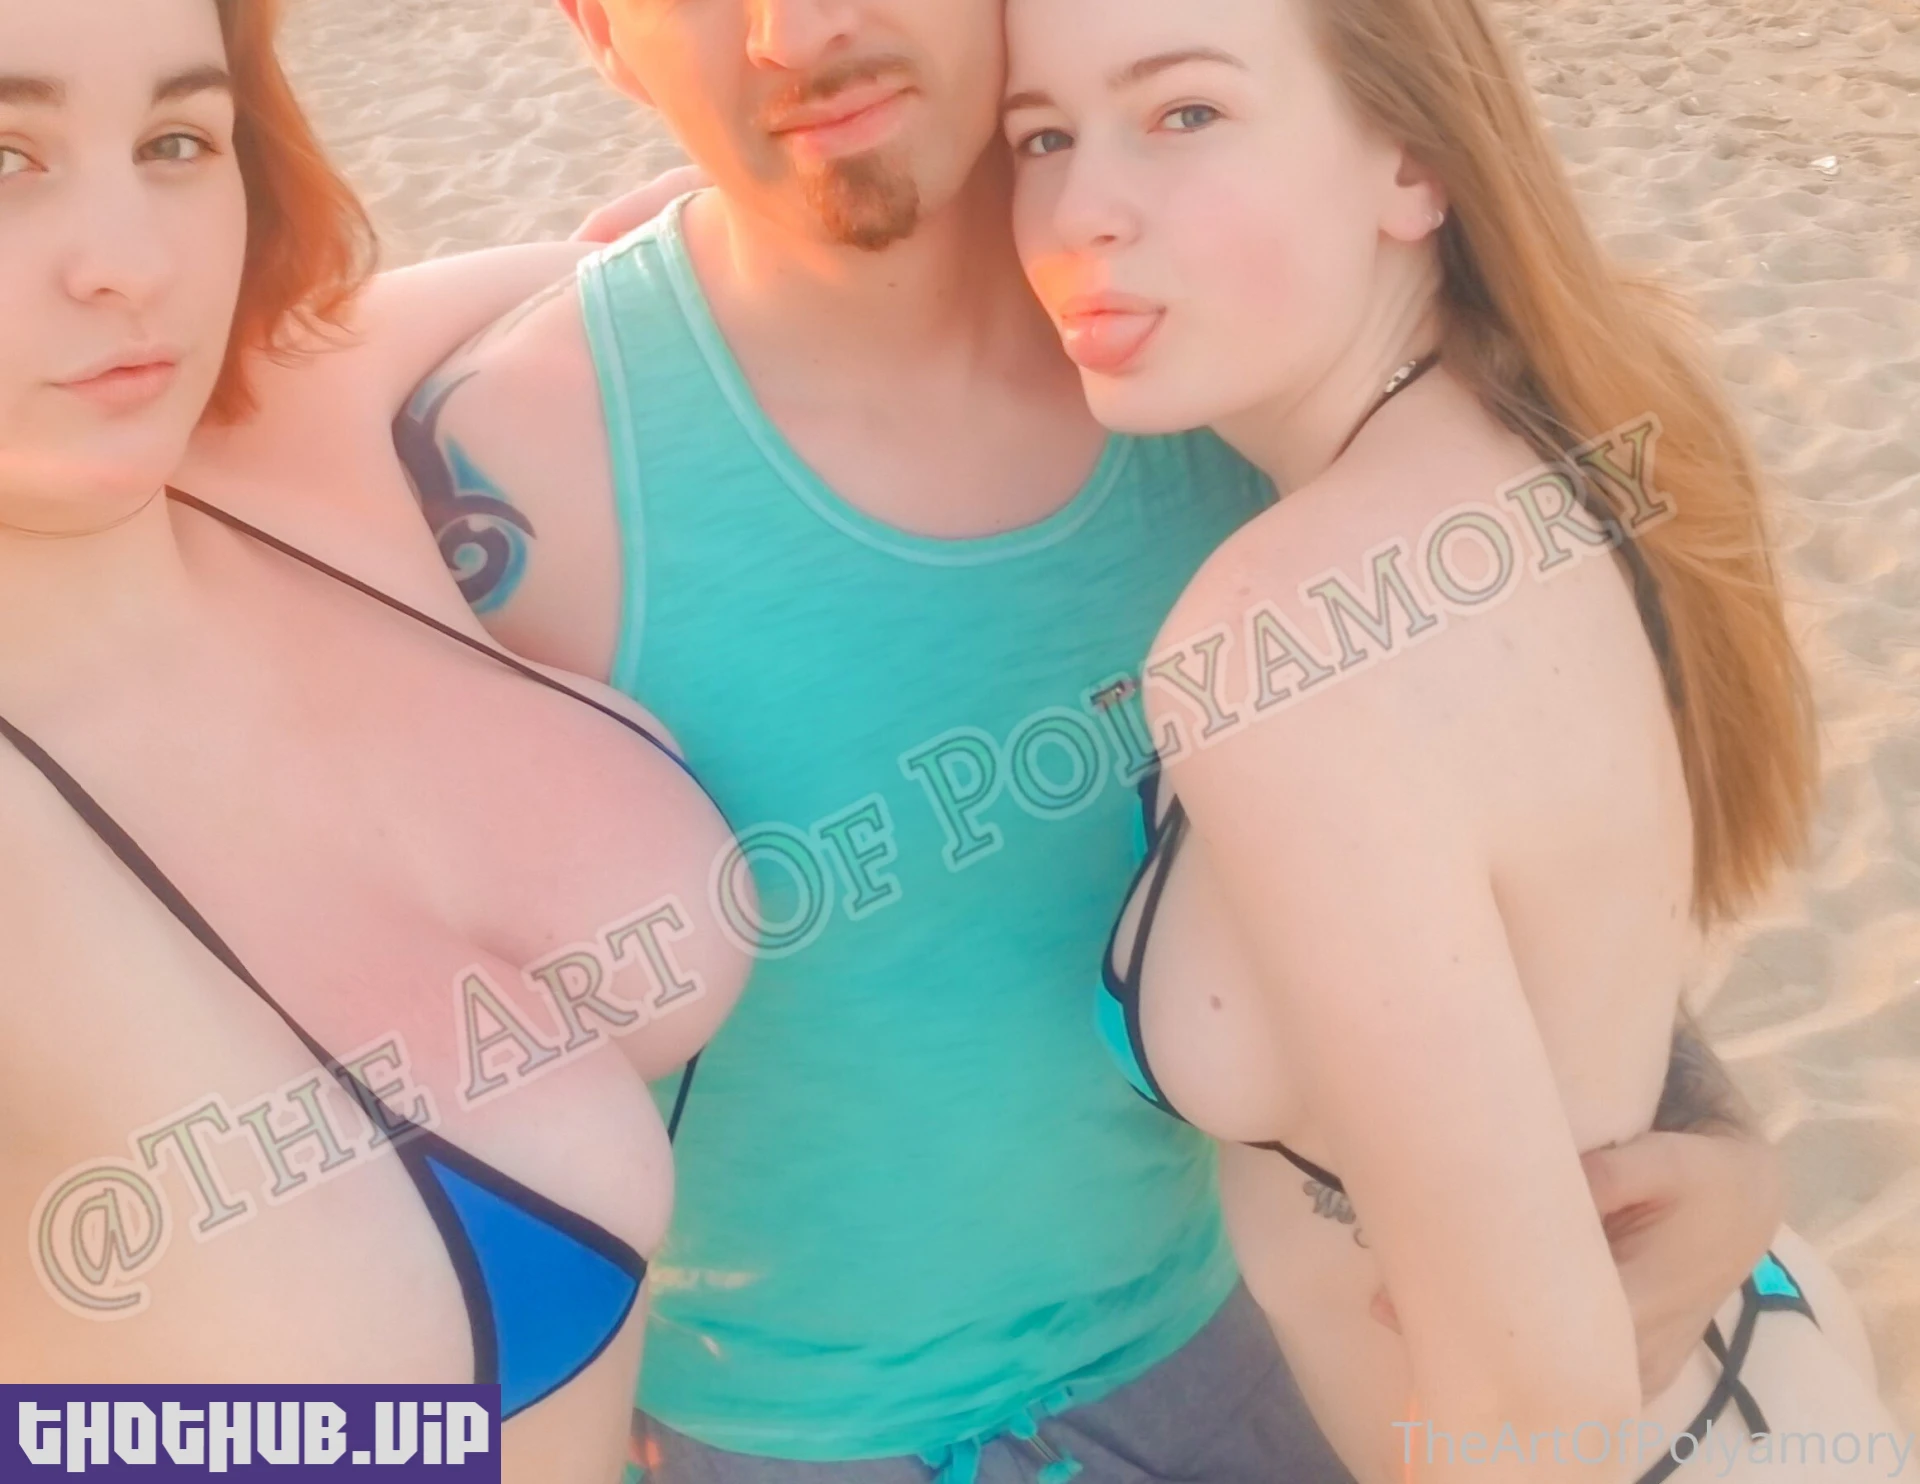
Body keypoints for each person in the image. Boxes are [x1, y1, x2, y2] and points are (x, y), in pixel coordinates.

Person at [184, 1, 1787, 1480]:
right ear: (599, 26)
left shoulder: (1212, 360)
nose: (801, 28)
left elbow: (1483, 838)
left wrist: (1698, 1131)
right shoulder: (486, 478)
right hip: (776, 1437)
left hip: (1245, 1374)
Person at [999, 0, 1901, 1479]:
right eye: (1040, 137)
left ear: (1411, 163)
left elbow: (1527, 1406)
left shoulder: (1288, 636)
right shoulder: (1547, 440)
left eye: (1185, 113)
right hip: (1765, 1377)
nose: (1079, 208)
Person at [0, 4, 748, 1481]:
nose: (133, 263)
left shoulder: (284, 421)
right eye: (3, 158)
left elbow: (681, 255)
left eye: (174, 140)